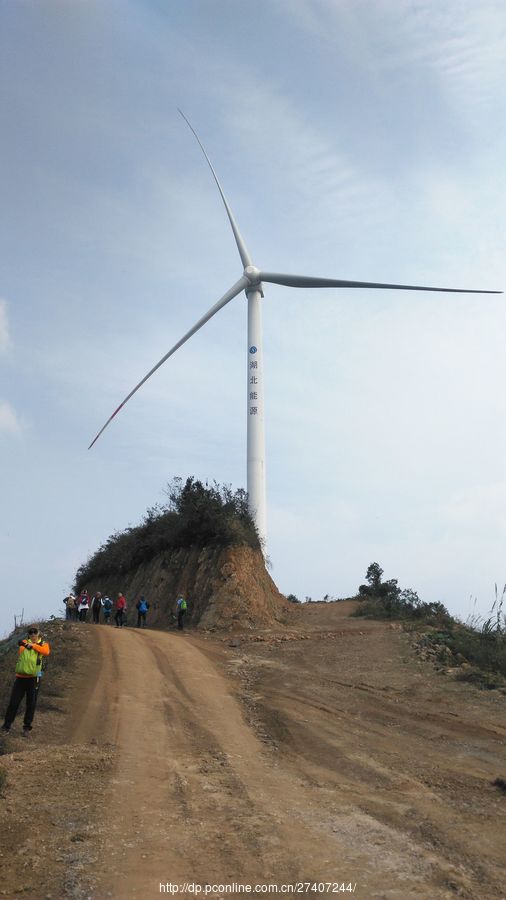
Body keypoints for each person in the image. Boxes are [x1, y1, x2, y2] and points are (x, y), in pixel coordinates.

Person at [2, 627, 51, 735]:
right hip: (20, 677)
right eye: (30, 633)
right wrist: (28, 645)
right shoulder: (24, 642)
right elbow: (21, 646)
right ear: (28, 635)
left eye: (35, 632)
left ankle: (26, 728)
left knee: (31, 703)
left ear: (39, 634)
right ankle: (6, 726)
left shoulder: (44, 644)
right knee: (13, 703)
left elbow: (46, 652)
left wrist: (33, 646)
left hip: (34, 678)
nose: (33, 634)